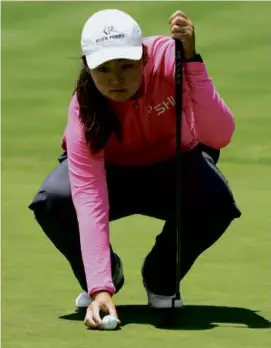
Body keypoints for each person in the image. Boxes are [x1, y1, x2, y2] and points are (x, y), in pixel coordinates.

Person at [28, 8, 241, 330]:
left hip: (175, 168)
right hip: (112, 177)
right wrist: (99, 284)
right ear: (87, 66)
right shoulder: (84, 107)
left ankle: (161, 276)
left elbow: (218, 135)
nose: (116, 79)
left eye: (127, 66)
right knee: (54, 200)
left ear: (143, 57)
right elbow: (88, 195)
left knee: (217, 202)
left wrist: (194, 62)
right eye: (104, 69)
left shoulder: (174, 59)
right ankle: (105, 275)